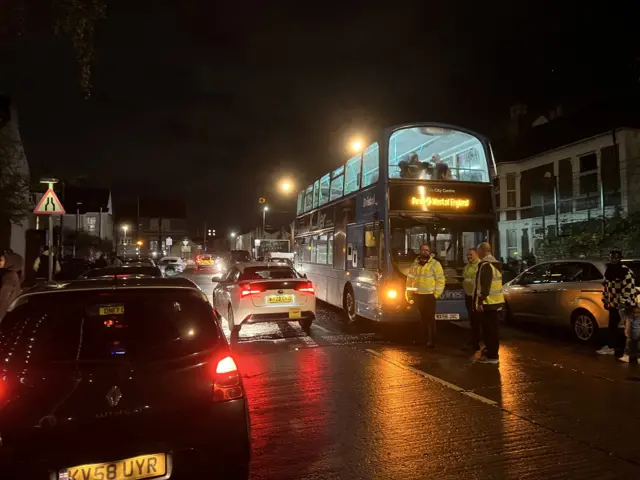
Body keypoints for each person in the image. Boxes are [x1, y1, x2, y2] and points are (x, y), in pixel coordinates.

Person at [405, 243, 445, 348]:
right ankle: (422, 339)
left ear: (430, 252)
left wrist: (436, 295)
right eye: (423, 250)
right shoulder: (415, 264)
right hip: (418, 296)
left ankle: (432, 341)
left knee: (430, 319)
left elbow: (440, 281)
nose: (425, 252)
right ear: (420, 251)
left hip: (429, 296)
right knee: (421, 319)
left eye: (427, 250)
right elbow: (409, 281)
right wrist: (408, 295)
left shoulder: (435, 264)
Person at [597, 248, 635, 357]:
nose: (613, 260)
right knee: (612, 327)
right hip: (614, 304)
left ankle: (632, 352)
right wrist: (605, 299)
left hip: (625, 305)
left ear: (620, 258)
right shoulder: (609, 270)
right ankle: (610, 347)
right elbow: (607, 286)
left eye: (616, 257)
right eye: (612, 257)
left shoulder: (625, 271)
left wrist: (623, 303)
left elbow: (628, 288)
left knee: (629, 328)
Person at [473, 242, 504, 364]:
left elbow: (485, 286)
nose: (477, 254)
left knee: (489, 331)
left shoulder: (486, 266)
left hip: (488, 303)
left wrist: (480, 302)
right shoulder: (495, 264)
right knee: (493, 330)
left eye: (478, 251)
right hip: (496, 302)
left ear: (481, 251)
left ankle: (492, 356)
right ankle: (491, 353)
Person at [462, 248, 481, 351]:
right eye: (467, 255)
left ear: (477, 254)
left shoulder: (480, 266)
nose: (469, 257)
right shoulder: (467, 266)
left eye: (471, 255)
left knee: (476, 321)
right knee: (472, 321)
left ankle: (475, 343)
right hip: (468, 296)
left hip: (475, 297)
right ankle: (473, 341)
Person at [0, 251, 23, 322]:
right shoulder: (13, 275)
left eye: (1, 260)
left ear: (10, 262)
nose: (0, 262)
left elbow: (3, 301)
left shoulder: (9, 278)